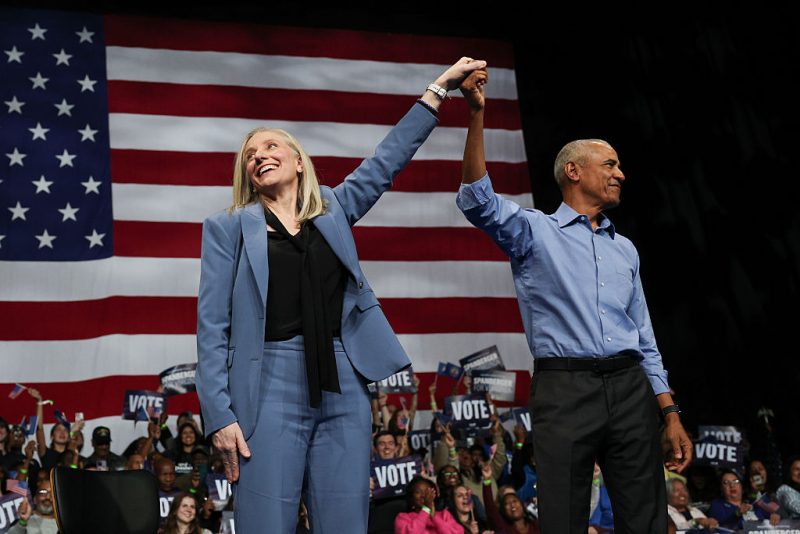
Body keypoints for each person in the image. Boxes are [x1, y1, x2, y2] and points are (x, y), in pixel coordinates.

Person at [194, 57, 487, 534]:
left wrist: (437, 90)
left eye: (271, 145)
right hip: (267, 382)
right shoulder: (227, 228)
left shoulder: (334, 208)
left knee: (345, 523)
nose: (259, 155)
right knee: (266, 522)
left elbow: (386, 161)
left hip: (343, 379)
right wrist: (219, 415)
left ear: (297, 159)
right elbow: (211, 326)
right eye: (250, 154)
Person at [454, 69, 692, 534]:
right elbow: (476, 201)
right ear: (573, 170)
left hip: (629, 389)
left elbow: (645, 338)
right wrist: (477, 114)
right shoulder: (534, 232)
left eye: (619, 166)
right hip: (565, 391)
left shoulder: (626, 249)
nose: (620, 173)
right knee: (562, 518)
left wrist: (669, 412)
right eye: (610, 164)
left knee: (645, 519)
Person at [394, 476, 463, 534]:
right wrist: (426, 509)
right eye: (418, 492)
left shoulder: (444, 515)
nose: (424, 495)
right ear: (411, 497)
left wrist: (434, 517)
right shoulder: (403, 518)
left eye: (427, 492)